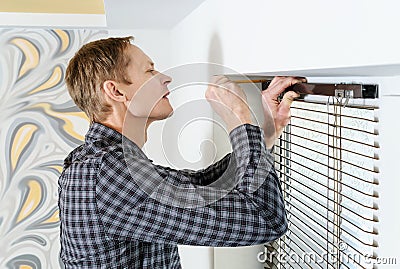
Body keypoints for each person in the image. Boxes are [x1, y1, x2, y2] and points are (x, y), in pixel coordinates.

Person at [58, 36, 305, 268]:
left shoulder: (101, 164)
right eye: (150, 70)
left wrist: (262, 134)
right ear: (117, 92)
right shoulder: (107, 174)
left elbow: (205, 185)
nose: (165, 78)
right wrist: (239, 118)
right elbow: (265, 219)